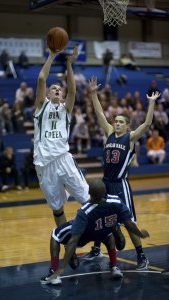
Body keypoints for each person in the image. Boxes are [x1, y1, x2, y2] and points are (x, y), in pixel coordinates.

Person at [86, 76, 160, 270]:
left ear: (127, 125)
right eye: (116, 121)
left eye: (121, 122)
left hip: (120, 185)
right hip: (104, 184)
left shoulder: (130, 138)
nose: (117, 123)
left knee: (128, 222)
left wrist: (151, 103)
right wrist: (93, 94)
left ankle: (141, 256)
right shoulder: (109, 132)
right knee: (99, 217)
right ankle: (96, 248)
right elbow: (99, 112)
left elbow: (147, 123)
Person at [40, 179, 150, 285]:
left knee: (55, 235)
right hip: (103, 232)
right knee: (109, 233)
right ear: (105, 192)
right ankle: (114, 267)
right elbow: (129, 223)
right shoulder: (116, 201)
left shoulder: (84, 211)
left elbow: (73, 240)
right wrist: (141, 234)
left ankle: (53, 273)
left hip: (85, 235)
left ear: (89, 193)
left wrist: (62, 267)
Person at [33, 47, 90, 227]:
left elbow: (73, 91)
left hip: (64, 158)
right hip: (44, 163)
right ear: (48, 95)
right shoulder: (41, 107)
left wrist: (69, 64)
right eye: (53, 88)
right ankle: (68, 245)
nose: (57, 90)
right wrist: (51, 56)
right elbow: (42, 78)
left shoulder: (66, 110)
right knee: (57, 208)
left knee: (87, 199)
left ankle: (99, 239)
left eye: (59, 88)